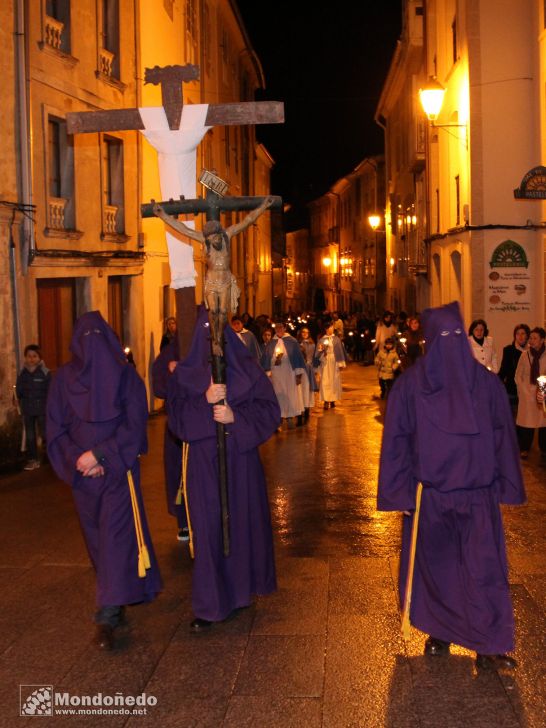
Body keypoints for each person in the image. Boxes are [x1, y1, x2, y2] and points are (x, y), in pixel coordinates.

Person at [378, 302, 525, 670]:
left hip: (478, 497)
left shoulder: (487, 385)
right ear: (429, 341)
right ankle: (438, 631)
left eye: (456, 336)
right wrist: (400, 494)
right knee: (437, 569)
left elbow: (502, 436)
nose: (451, 343)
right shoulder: (411, 387)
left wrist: (506, 484)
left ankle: (489, 642)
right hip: (431, 498)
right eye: (444, 336)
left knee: (484, 569)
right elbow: (396, 441)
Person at [46, 311, 162, 650]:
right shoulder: (64, 379)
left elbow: (134, 424)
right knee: (98, 542)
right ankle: (118, 594)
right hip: (84, 479)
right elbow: (55, 429)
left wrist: (101, 456)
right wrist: (78, 461)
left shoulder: (126, 378)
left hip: (117, 475)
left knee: (115, 538)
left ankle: (107, 614)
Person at [167, 306, 280, 631]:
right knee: (208, 528)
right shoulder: (185, 375)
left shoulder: (247, 369)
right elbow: (177, 421)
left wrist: (235, 419)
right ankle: (211, 604)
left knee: (241, 526)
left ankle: (240, 592)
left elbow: (269, 410)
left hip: (240, 461)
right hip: (203, 464)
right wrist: (204, 400)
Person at [153, 197, 274, 355]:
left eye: (214, 238)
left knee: (222, 312)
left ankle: (220, 334)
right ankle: (216, 341)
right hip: (211, 280)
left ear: (219, 233)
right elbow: (183, 229)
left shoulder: (227, 235)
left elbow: (247, 220)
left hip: (224, 280)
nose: (212, 240)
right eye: (209, 238)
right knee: (213, 311)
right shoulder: (205, 240)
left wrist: (264, 205)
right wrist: (163, 215)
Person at [151, 338, 190, 542]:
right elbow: (159, 387)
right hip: (178, 424)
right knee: (179, 473)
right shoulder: (169, 352)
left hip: (207, 422)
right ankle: (183, 521)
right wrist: (173, 375)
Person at [260, 320, 306, 428]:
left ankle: (290, 417)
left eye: (281, 327)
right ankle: (279, 418)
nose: (278, 329)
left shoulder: (292, 341)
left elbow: (297, 358)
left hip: (289, 373)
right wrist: (273, 364)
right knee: (278, 394)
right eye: (276, 328)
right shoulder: (272, 343)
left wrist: (298, 374)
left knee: (290, 394)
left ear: (285, 328)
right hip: (277, 375)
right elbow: (267, 358)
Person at [16, 344, 51, 471]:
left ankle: (50, 456)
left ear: (39, 358)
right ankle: (33, 459)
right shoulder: (22, 373)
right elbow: (18, 390)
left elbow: (50, 391)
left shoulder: (45, 373)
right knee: (30, 435)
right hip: (28, 409)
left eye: (34, 356)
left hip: (42, 408)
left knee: (45, 433)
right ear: (25, 357)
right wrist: (18, 399)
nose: (31, 359)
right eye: (29, 356)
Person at [514, 326, 546, 459]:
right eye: (531, 338)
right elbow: (518, 376)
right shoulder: (524, 354)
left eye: (535, 338)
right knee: (526, 423)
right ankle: (524, 448)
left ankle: (544, 449)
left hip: (542, 392)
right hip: (527, 392)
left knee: (543, 422)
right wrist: (523, 390)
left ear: (543, 340)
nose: (531, 340)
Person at [313, 320, 346, 409]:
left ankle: (333, 400)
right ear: (326, 329)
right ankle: (326, 400)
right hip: (326, 362)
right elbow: (318, 352)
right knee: (325, 381)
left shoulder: (336, 339)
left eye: (332, 327)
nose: (331, 329)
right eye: (329, 327)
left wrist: (341, 363)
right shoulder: (322, 340)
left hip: (334, 362)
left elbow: (339, 351)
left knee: (334, 381)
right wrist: (323, 352)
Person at [498, 324, 530, 413]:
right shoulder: (508, 350)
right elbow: (503, 370)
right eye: (517, 334)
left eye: (523, 333)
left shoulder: (531, 351)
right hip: (512, 391)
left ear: (527, 335)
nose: (520, 336)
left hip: (527, 392)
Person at [297, 326, 318, 423]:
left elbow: (314, 357)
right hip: (300, 369)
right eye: (303, 332)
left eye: (306, 332)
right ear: (300, 333)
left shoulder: (312, 344)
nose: (305, 334)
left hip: (308, 369)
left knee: (307, 390)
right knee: (299, 391)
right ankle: (299, 412)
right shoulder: (297, 344)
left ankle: (306, 411)